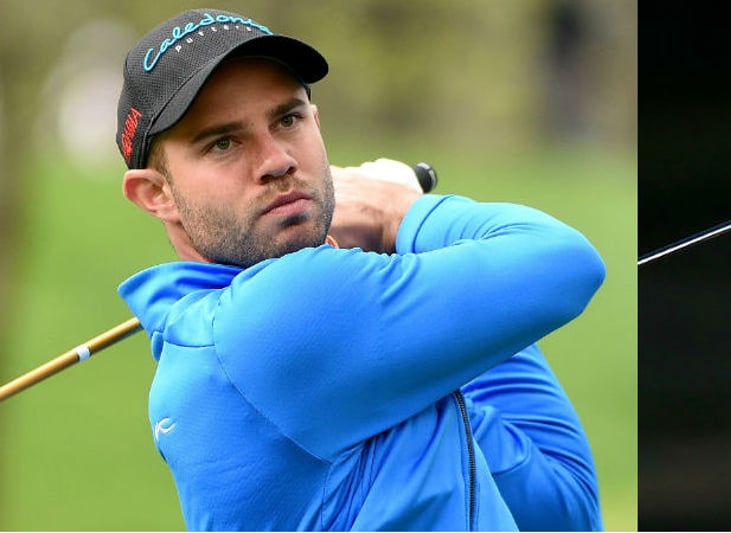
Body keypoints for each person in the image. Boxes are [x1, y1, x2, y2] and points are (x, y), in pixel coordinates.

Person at [113, 8, 606, 531]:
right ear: (156, 194)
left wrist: (439, 306)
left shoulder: (244, 350)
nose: (277, 160)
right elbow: (565, 261)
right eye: (223, 142)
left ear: (316, 122)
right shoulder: (283, 316)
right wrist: (396, 212)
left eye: (287, 120)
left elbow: (562, 508)